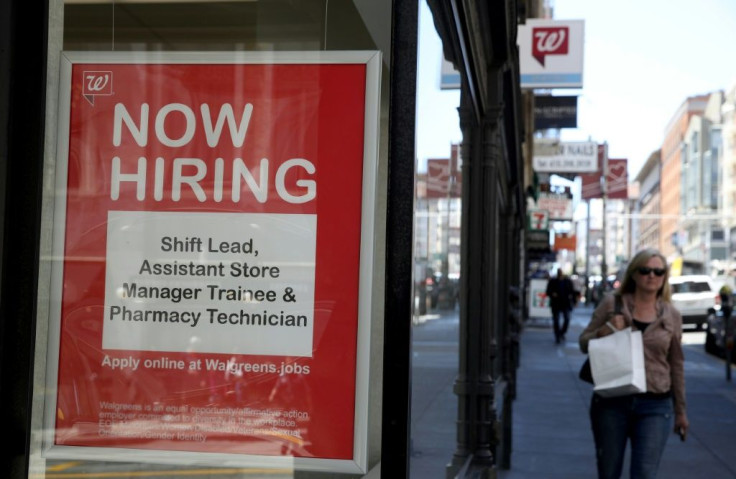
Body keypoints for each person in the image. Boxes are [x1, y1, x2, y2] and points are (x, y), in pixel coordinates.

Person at [579, 248, 688, 479]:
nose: (652, 276)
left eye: (659, 271)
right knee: (609, 472)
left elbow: (676, 364)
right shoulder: (612, 304)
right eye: (645, 270)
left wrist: (681, 411)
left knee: (645, 473)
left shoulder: (672, 315)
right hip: (612, 401)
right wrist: (606, 330)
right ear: (635, 274)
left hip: (655, 404)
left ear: (664, 277)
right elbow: (583, 342)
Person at [545, 268, 576, 343]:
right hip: (556, 304)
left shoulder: (567, 281)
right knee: (556, 320)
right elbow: (548, 291)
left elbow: (572, 291)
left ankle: (562, 332)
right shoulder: (553, 281)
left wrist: (574, 301)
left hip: (565, 303)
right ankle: (557, 335)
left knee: (567, 319)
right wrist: (553, 294)